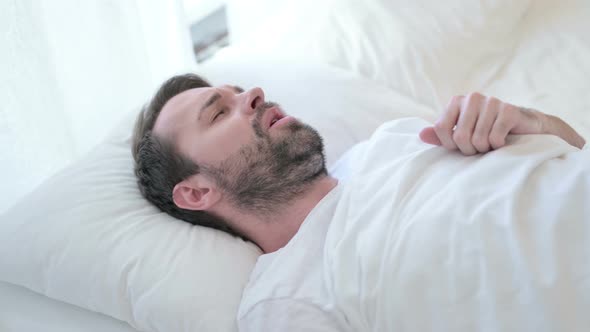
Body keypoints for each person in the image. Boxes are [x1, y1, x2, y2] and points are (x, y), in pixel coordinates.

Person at [132, 73, 588, 331]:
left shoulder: (393, 139)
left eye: (238, 92)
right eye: (218, 112)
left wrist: (535, 121)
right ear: (196, 192)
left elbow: (573, 149)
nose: (252, 94)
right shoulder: (284, 300)